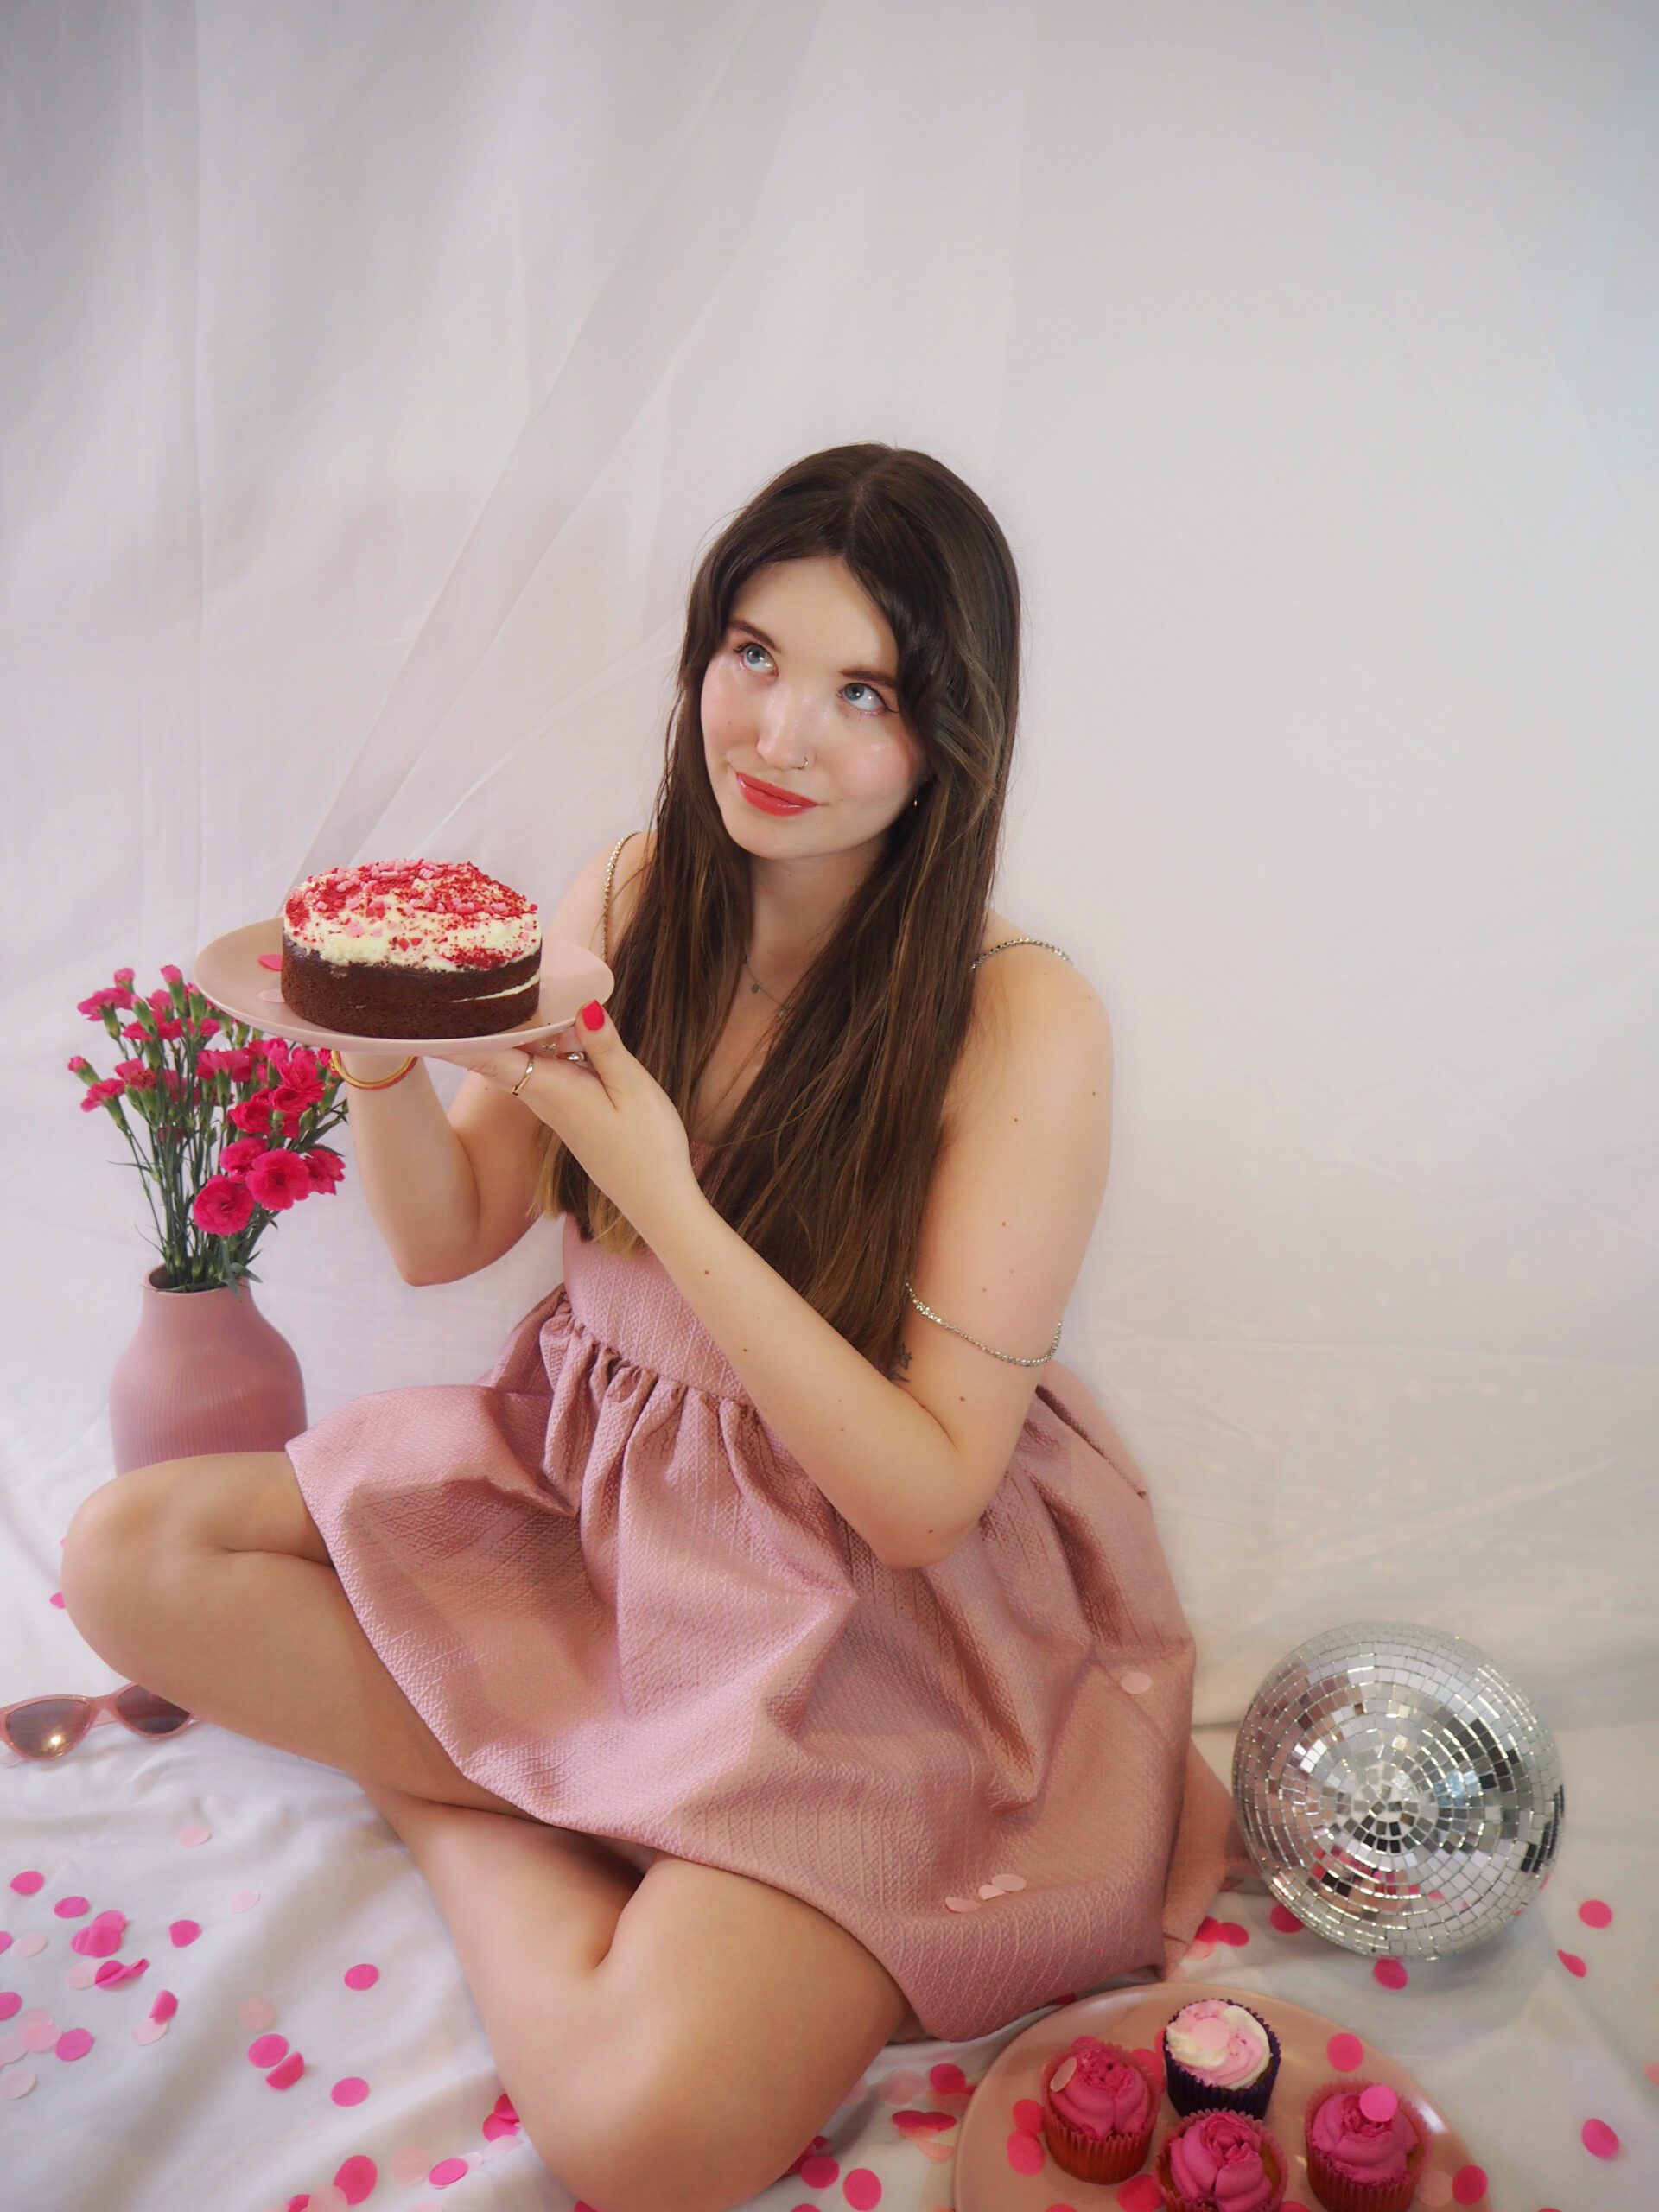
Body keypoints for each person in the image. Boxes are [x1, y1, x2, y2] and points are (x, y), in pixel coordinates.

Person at [60, 444, 1251, 2212]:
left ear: (955, 736)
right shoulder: (629, 895)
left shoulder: (1023, 1021)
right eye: (754, 654)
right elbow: (447, 1230)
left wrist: (670, 1195)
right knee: (123, 1549)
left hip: (857, 1606)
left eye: (865, 691)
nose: (780, 735)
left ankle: (477, 1798)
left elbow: (925, 1494)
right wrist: (377, 1042)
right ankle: (587, 1790)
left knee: (646, 2133)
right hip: (602, 1498)